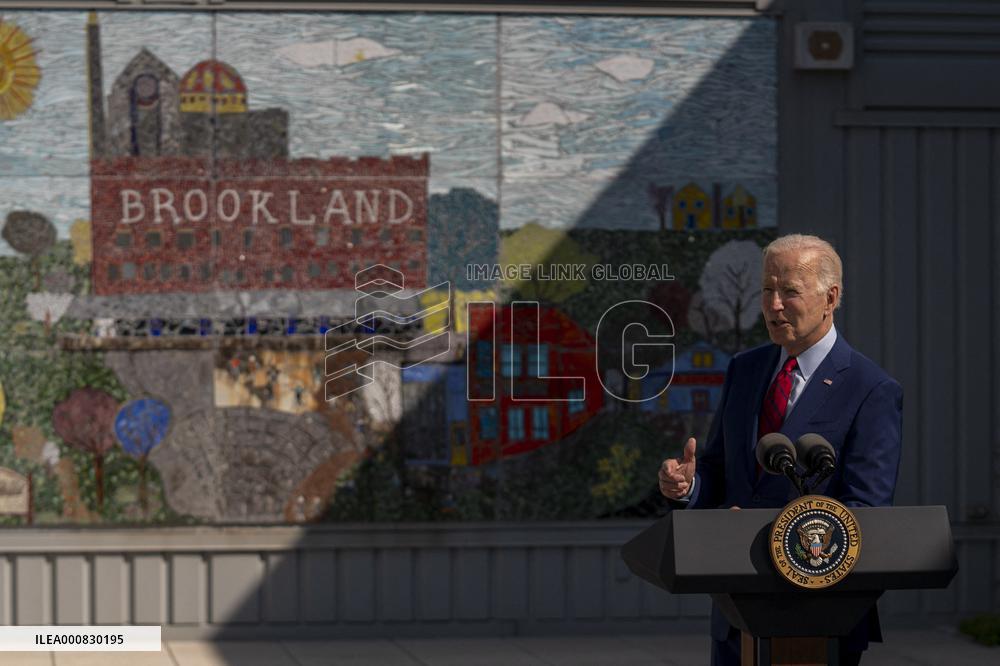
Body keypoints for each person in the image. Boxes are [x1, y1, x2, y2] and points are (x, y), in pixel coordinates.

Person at [658, 234, 903, 666]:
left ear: (831, 297)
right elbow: (721, 470)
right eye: (767, 291)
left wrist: (767, 535)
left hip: (818, 614)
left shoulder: (871, 389)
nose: (773, 305)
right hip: (737, 612)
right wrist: (689, 485)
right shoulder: (745, 369)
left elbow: (865, 509)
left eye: (789, 292)